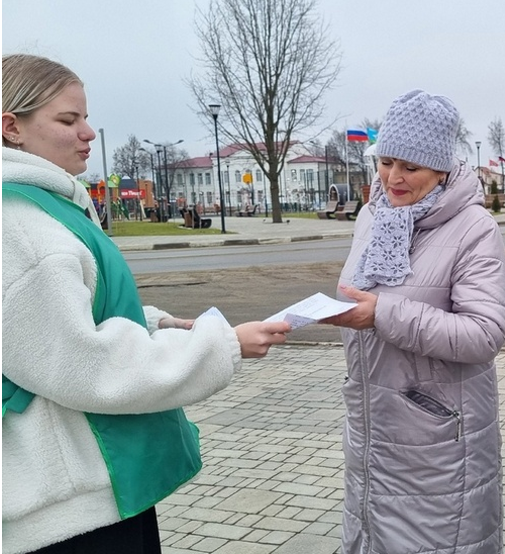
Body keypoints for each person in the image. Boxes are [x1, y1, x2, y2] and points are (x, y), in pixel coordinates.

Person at [1, 53, 292, 553]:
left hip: (83, 496)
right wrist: (223, 345)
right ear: (12, 128)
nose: (88, 132)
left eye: (86, 117)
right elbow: (85, 364)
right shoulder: (20, 225)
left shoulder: (40, 207)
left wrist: (159, 323)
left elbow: (69, 316)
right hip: (68, 516)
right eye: (68, 120)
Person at [323, 90, 505, 553]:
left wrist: (382, 314)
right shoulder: (372, 217)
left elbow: (483, 334)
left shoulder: (473, 229)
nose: (393, 178)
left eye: (411, 167)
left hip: (437, 441)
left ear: (442, 168)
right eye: (386, 161)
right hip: (372, 425)